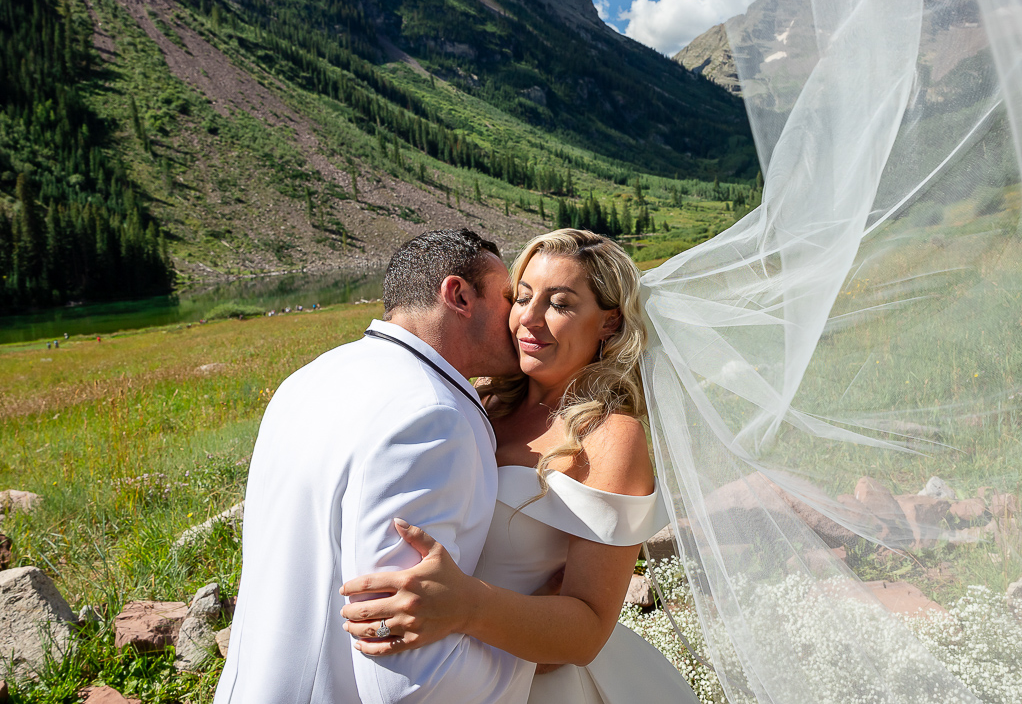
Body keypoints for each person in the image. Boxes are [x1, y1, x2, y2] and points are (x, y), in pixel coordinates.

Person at [339, 229, 698, 704]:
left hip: (539, 684)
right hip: (431, 673)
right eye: (521, 297)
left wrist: (467, 604)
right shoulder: (479, 403)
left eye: (561, 304)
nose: (528, 319)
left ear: (609, 323)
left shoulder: (612, 436)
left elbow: (587, 632)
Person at [214, 228, 536, 704]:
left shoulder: (309, 378)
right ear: (459, 295)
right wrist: (532, 651)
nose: (520, 317)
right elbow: (409, 681)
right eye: (510, 297)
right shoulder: (431, 418)